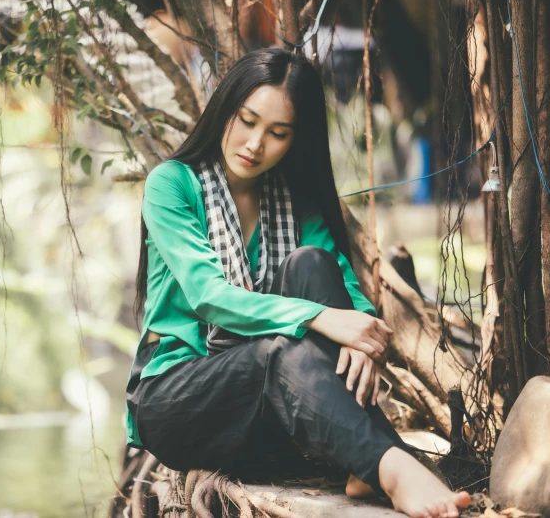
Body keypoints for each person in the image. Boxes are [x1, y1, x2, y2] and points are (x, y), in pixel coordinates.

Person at [125, 48, 470, 518]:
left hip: (267, 416)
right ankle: (390, 465)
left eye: (277, 133)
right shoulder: (172, 185)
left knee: (311, 262)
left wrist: (362, 333)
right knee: (277, 351)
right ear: (225, 108)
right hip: (180, 403)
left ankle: (364, 463)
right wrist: (323, 319)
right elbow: (210, 297)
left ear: (295, 140)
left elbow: (343, 287)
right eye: (246, 120)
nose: (254, 143)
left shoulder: (291, 200)